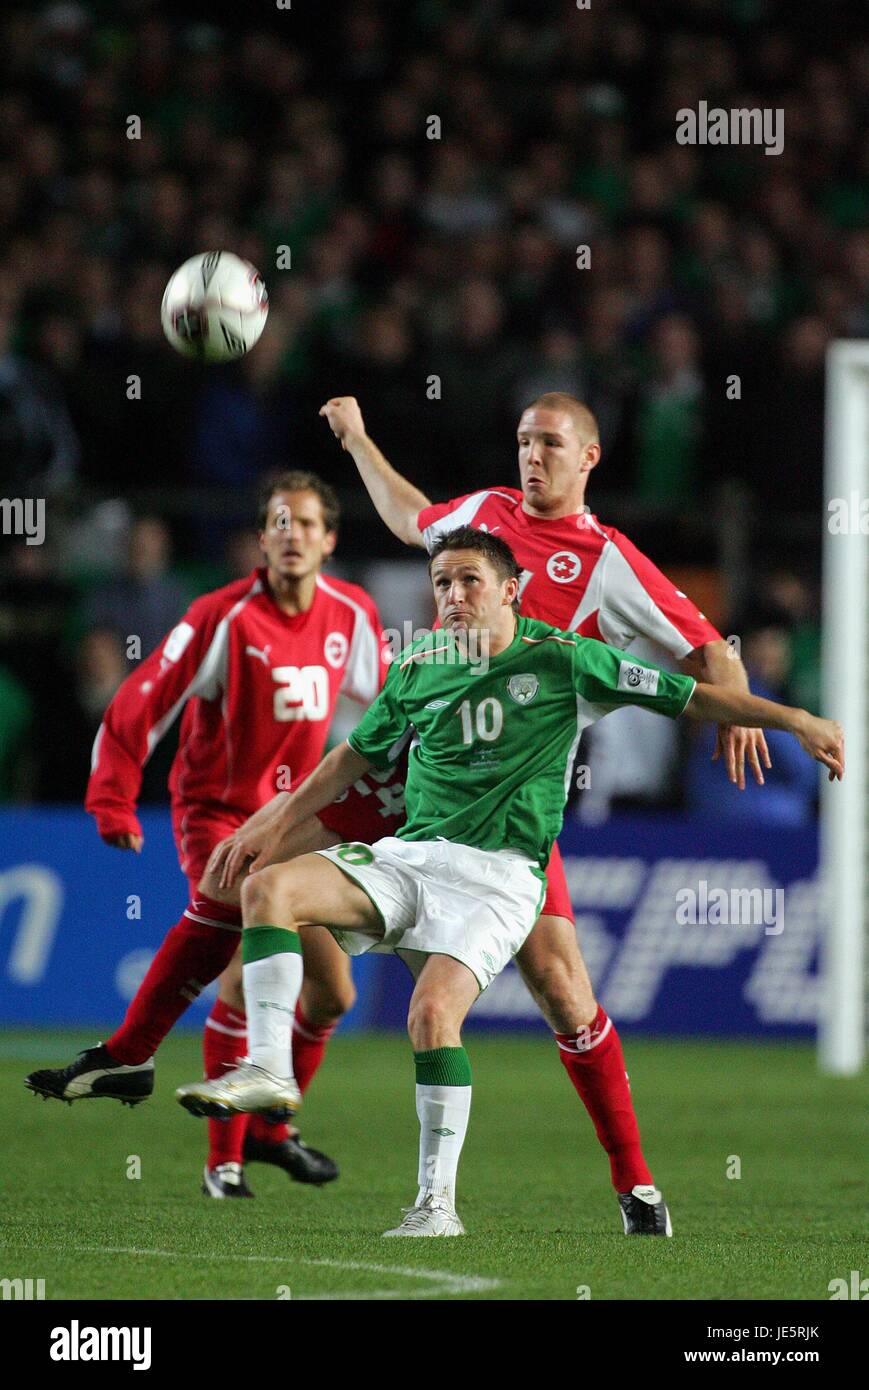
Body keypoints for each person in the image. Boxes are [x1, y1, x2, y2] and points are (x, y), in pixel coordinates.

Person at [175, 527, 843, 1236]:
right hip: (413, 859)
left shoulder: (567, 662)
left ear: (509, 592)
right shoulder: (419, 664)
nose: (453, 596)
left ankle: (439, 1206)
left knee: (437, 1016)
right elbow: (349, 760)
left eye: (468, 581)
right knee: (267, 890)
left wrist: (794, 718)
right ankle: (271, 1072)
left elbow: (693, 698)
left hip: (499, 878)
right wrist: (267, 829)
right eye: (440, 584)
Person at [304, 389, 769, 1229]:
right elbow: (416, 519)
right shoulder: (484, 512)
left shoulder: (607, 559)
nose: (532, 455)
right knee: (282, 876)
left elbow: (703, 644)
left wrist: (732, 709)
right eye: (523, 439)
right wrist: (360, 442)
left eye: (550, 443)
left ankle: (634, 1186)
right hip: (431, 764)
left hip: (515, 802)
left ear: (588, 457)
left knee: (558, 987)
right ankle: (269, 1093)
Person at [25, 471, 395, 1199]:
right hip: (217, 814)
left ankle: (266, 1133)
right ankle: (198, 1134)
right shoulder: (223, 616)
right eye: (279, 523)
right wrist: (113, 800)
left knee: (332, 996)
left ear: (330, 539)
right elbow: (143, 698)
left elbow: (386, 712)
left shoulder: (351, 613)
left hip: (293, 823)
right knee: (235, 936)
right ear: (261, 540)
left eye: (307, 523)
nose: (293, 535)